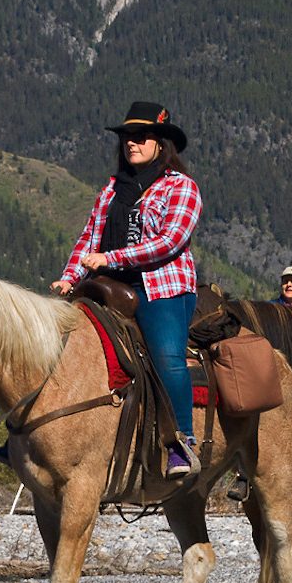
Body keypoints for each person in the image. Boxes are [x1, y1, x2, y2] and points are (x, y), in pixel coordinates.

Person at [50, 101, 203, 479]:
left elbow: (170, 242)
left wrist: (111, 258)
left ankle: (182, 442)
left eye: (140, 136)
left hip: (162, 287)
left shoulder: (180, 187)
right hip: (109, 284)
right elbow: (90, 238)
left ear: (160, 143)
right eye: (126, 137)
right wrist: (70, 277)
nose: (131, 143)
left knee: (167, 358)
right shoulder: (111, 189)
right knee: (59, 345)